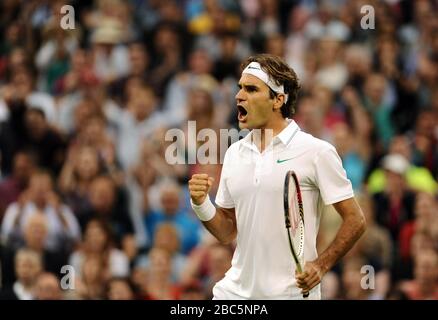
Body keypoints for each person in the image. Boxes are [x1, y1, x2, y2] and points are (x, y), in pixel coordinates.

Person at [188, 54, 366, 300]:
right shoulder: (233, 153)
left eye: (251, 89)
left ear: (277, 100)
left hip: (291, 294)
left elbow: (355, 219)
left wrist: (321, 265)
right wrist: (201, 203)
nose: (239, 96)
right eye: (240, 88)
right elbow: (227, 232)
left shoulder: (317, 151)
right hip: (234, 295)